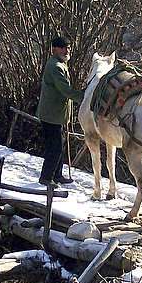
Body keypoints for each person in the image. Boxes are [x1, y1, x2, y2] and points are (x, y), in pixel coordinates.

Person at [36, 36, 85, 186]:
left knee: (59, 145)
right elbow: (66, 90)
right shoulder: (55, 66)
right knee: (54, 148)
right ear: (55, 49)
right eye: (64, 48)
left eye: (68, 48)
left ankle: (57, 175)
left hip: (55, 115)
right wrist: (85, 96)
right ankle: (46, 177)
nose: (67, 50)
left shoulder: (60, 64)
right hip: (51, 115)